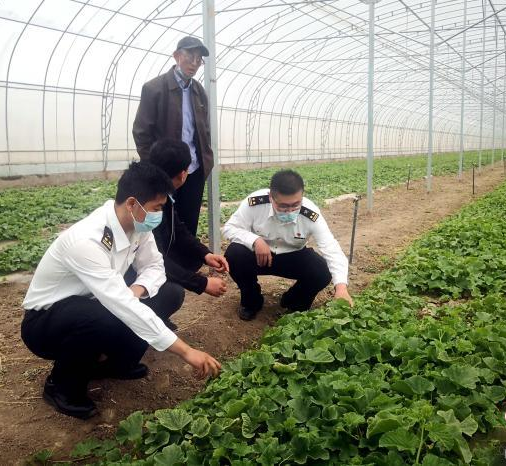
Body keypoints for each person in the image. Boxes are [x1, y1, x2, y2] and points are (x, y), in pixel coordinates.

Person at [21, 162, 220, 420]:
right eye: (157, 208)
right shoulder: (87, 241)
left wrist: (136, 290)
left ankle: (113, 364)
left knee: (169, 293)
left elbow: (155, 267)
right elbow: (120, 304)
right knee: (99, 316)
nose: (159, 214)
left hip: (96, 303)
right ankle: (61, 387)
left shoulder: (138, 225)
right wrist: (186, 351)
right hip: (45, 324)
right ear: (131, 203)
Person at [222, 169, 353, 321]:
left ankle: (293, 302)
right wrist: (255, 240)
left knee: (321, 270)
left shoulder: (310, 214)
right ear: (271, 197)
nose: (290, 210)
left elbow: (331, 248)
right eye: (283, 206)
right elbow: (229, 228)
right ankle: (252, 301)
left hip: (293, 257)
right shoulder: (255, 203)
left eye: (296, 204)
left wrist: (341, 287)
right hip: (259, 256)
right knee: (234, 255)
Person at [132, 36, 212, 237]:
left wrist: (205, 163)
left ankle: (190, 265)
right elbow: (141, 132)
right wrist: (155, 168)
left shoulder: (199, 92)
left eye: (199, 59)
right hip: (166, 171)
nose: (194, 63)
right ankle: (163, 265)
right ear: (177, 56)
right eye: (190, 57)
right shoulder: (154, 88)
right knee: (162, 221)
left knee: (189, 219)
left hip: (193, 170)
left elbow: (204, 131)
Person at [148, 138, 229, 298]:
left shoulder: (161, 193)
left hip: (146, 261)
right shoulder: (149, 204)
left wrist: (205, 254)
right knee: (172, 294)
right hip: (133, 273)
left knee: (186, 261)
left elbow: (178, 229)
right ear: (183, 174)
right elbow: (154, 259)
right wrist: (202, 283)